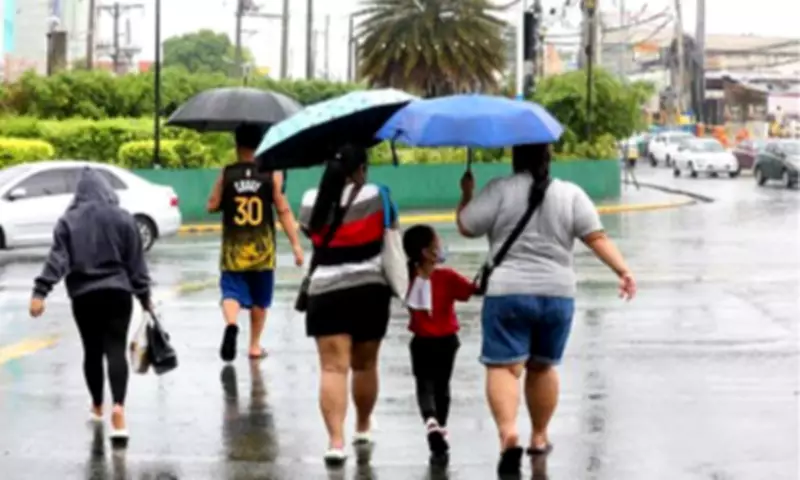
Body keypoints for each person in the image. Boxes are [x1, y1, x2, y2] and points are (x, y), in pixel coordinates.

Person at [455, 143, 637, 475]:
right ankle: (539, 436)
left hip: (507, 292)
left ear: (515, 159)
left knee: (503, 367)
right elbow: (596, 237)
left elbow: (467, 226)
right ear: (548, 160)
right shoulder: (570, 194)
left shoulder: (500, 188)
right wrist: (623, 271)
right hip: (557, 294)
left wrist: (466, 194)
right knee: (542, 367)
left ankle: (508, 433)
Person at [28, 167, 152, 446]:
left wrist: (40, 292)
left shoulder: (68, 221)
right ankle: (119, 410)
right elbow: (137, 264)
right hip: (119, 294)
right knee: (116, 350)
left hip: (84, 296)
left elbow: (57, 259)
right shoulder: (124, 218)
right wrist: (145, 298)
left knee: (92, 352)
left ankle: (97, 406)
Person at [297, 144, 397, 467]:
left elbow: (310, 234)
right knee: (365, 366)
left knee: (332, 368)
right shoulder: (378, 196)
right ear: (360, 169)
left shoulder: (310, 200)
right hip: (369, 292)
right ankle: (363, 426)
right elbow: (391, 233)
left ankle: (335, 442)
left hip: (326, 293)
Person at [207, 123, 304, 362]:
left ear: (237, 144)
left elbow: (212, 205)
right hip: (263, 250)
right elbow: (283, 210)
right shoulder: (271, 173)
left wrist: (223, 188)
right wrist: (296, 245)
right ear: (261, 144)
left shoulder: (227, 173)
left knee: (231, 291)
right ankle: (254, 346)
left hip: (234, 250)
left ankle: (232, 324)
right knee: (261, 299)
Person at [402, 224, 475, 465]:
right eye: (437, 244)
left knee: (424, 385)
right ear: (428, 251)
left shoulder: (407, 278)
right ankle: (441, 427)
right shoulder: (447, 277)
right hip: (447, 342)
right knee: (443, 387)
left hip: (421, 341)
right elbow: (470, 291)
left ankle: (431, 422)